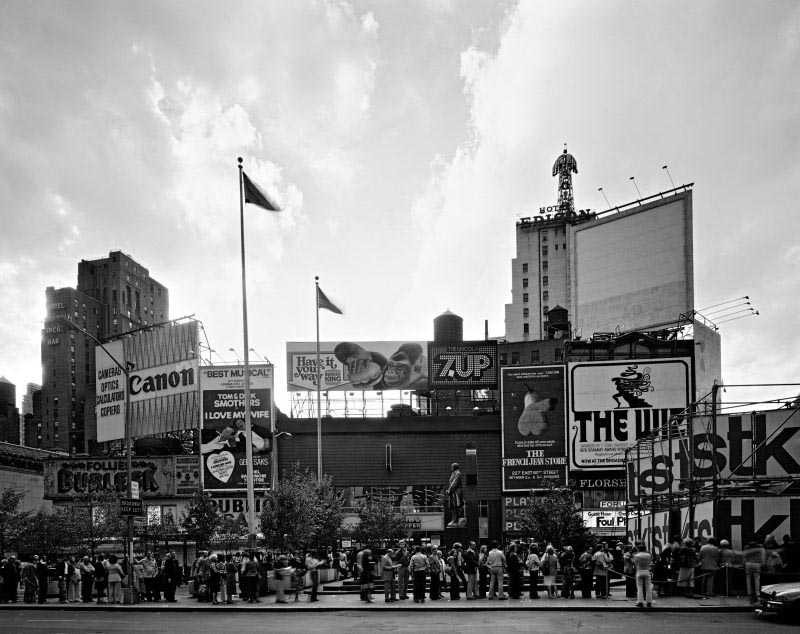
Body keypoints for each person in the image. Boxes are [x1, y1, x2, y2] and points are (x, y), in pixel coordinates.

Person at [742, 538, 765, 604]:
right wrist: (763, 563)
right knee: (757, 579)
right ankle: (757, 594)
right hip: (757, 564)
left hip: (748, 564)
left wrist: (744, 563)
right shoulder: (760, 547)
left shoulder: (746, 547)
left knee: (748, 580)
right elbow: (763, 556)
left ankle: (749, 594)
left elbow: (744, 556)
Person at [632, 542, 653, 608]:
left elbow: (635, 564)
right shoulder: (648, 555)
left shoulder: (636, 556)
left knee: (639, 587)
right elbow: (650, 562)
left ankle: (640, 602)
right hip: (647, 571)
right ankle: (649, 602)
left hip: (639, 571)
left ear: (639, 549)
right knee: (648, 587)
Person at [447, 463, 465, 527]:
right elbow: (452, 483)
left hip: (456, 493)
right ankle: (454, 520)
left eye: (452, 467)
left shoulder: (458, 473)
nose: (451, 468)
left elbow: (455, 483)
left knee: (455, 507)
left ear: (455, 467)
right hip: (452, 492)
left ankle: (455, 521)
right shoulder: (453, 473)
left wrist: (449, 490)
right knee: (452, 507)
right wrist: (449, 489)